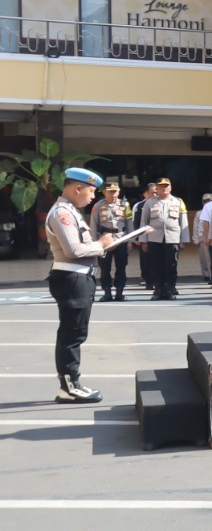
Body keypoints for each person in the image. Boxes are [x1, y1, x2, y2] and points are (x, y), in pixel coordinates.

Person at [46, 167, 120, 403]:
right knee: (72, 334)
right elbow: (74, 250)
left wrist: (103, 246)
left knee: (75, 332)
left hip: (79, 278)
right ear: (77, 188)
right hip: (72, 278)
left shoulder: (71, 212)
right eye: (90, 191)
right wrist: (101, 244)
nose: (92, 196)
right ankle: (69, 386)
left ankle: (70, 384)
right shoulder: (62, 213)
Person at [137, 177, 187, 300]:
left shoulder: (178, 201)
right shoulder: (149, 202)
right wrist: (143, 240)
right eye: (161, 186)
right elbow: (144, 221)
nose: (164, 188)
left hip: (172, 237)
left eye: (166, 185)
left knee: (171, 265)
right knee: (156, 265)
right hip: (155, 238)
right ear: (157, 188)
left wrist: (183, 239)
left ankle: (169, 288)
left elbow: (183, 221)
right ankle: (158, 290)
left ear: (170, 187)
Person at [90, 182, 132, 302]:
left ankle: (119, 292)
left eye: (115, 191)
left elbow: (129, 223)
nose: (113, 194)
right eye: (110, 191)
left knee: (121, 266)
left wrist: (130, 240)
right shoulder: (98, 206)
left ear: (118, 192)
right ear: (104, 192)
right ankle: (107, 292)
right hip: (104, 240)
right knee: (105, 268)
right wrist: (95, 243)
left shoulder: (125, 205)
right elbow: (93, 225)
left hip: (121, 238)